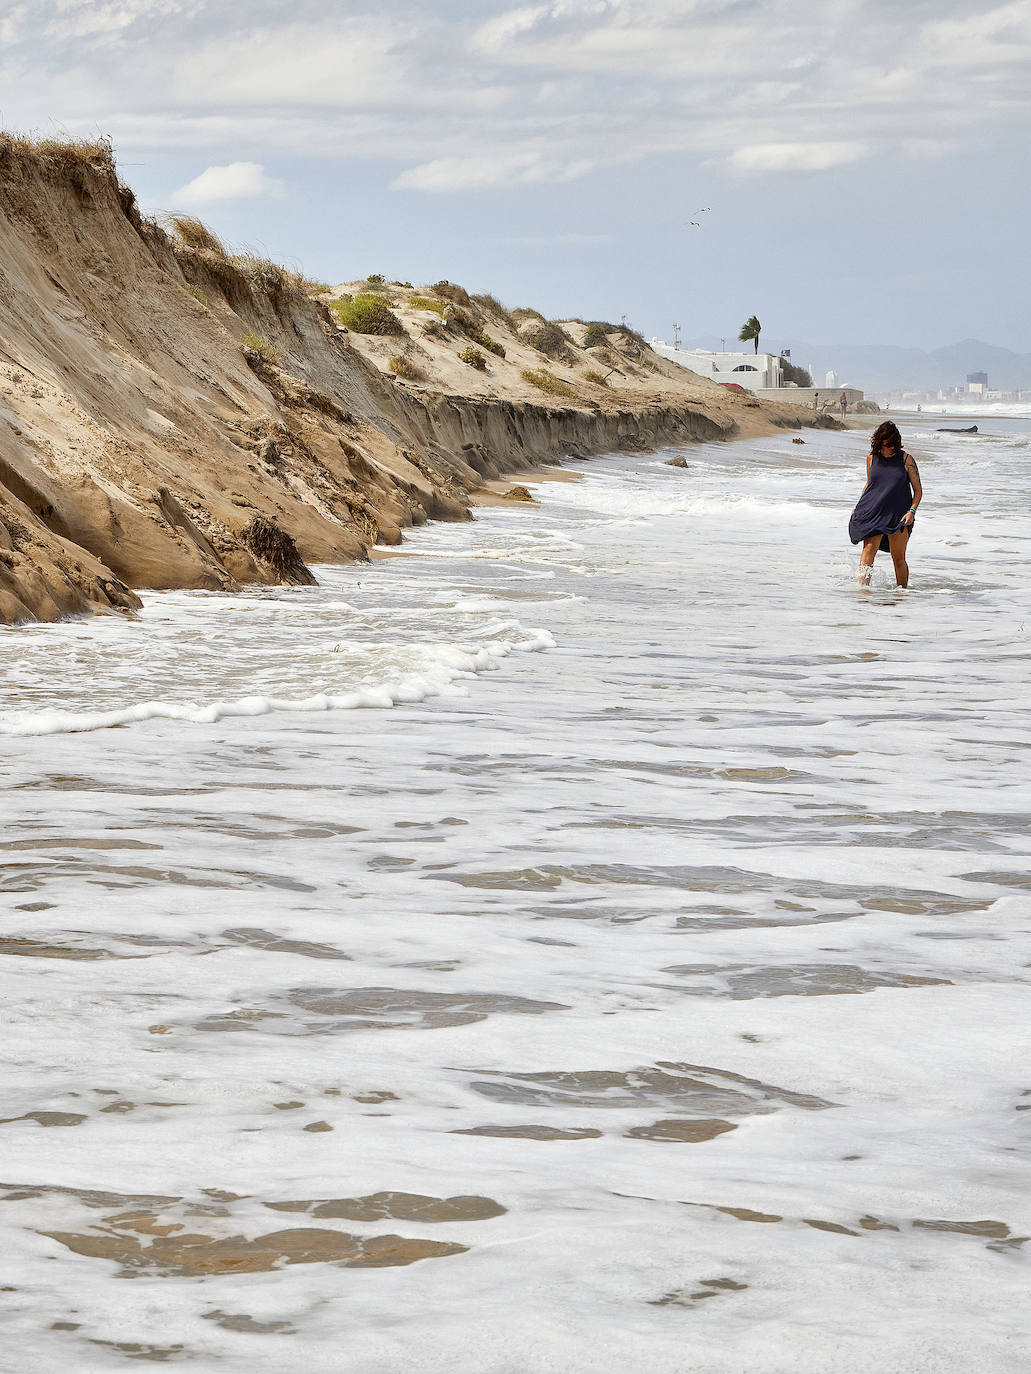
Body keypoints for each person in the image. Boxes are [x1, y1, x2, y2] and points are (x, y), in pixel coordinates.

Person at [848, 421, 922, 588]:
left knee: (898, 558)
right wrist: (859, 506)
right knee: (868, 550)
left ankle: (901, 595)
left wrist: (912, 511)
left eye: (894, 444)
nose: (891, 448)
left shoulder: (906, 460)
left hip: (898, 514)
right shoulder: (871, 458)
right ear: (879, 442)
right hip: (874, 511)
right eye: (888, 444)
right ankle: (863, 592)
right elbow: (870, 484)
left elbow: (918, 490)